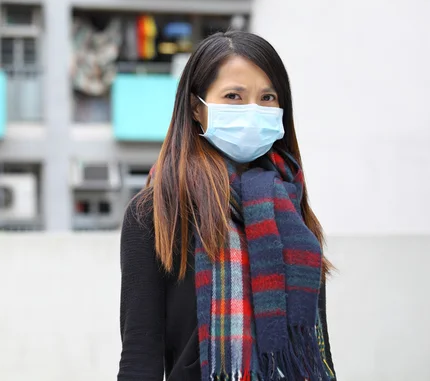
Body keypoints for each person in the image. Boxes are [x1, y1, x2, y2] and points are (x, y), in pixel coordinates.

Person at [117, 31, 336, 381]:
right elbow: (140, 356)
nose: (253, 110)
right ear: (196, 108)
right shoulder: (156, 211)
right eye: (233, 96)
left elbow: (314, 349)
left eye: (268, 97)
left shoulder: (292, 211)